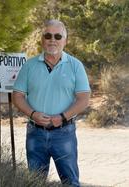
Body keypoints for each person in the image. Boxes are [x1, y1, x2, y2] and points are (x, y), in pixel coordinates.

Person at [13, 19, 90, 186]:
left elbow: (84, 98)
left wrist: (62, 117)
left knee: (70, 182)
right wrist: (33, 114)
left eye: (57, 36)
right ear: (42, 39)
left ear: (65, 40)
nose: (52, 40)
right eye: (48, 36)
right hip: (35, 133)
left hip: (64, 133)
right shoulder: (29, 66)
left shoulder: (75, 66)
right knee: (34, 182)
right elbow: (17, 96)